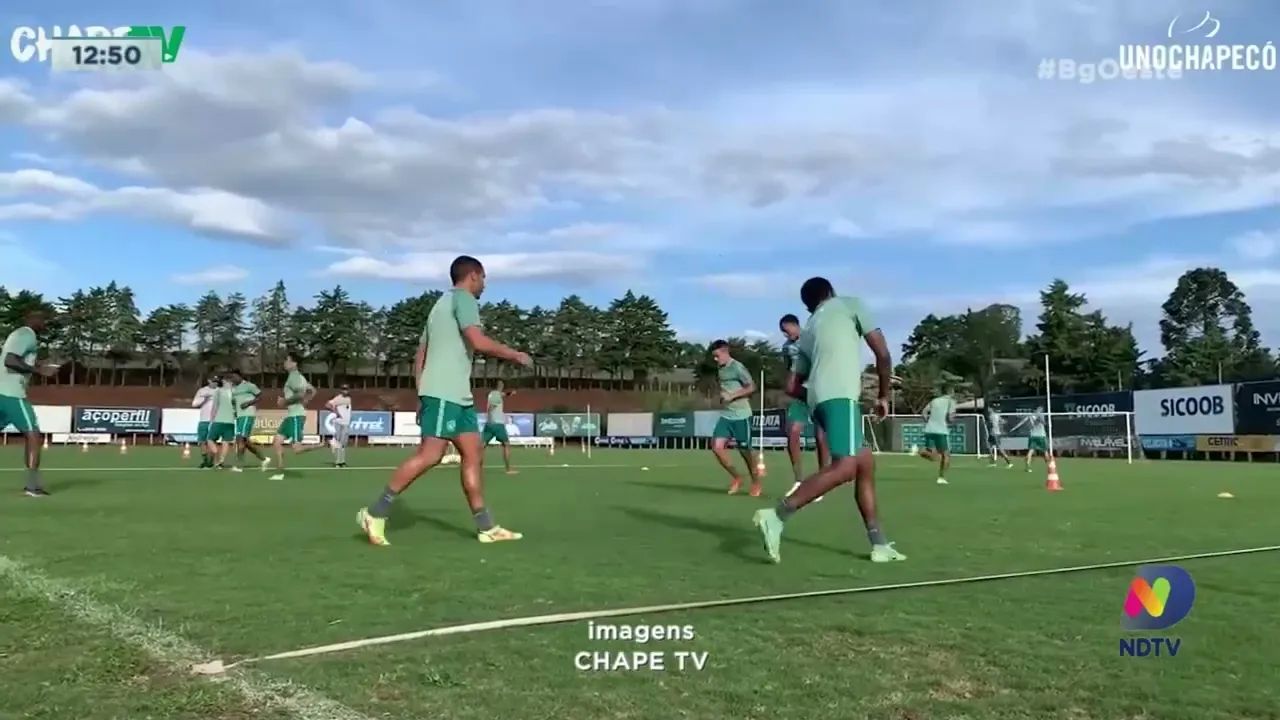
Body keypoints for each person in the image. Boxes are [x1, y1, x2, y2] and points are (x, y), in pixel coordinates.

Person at [358, 255, 532, 547]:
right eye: (484, 278)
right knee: (431, 455)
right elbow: (477, 341)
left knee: (473, 453)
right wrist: (515, 354)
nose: (485, 284)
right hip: (444, 392)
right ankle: (375, 512)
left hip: (455, 395)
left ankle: (486, 527)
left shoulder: (438, 306)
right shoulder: (463, 299)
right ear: (473, 275)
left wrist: (420, 392)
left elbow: (420, 354)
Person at [753, 277, 906, 564]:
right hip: (841, 396)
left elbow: (791, 386)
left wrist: (816, 396)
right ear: (831, 291)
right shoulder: (851, 304)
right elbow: (882, 353)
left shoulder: (809, 328)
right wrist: (884, 396)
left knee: (864, 465)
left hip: (817, 400)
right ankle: (778, 514)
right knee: (846, 465)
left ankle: (879, 544)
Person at [0, 311, 56, 496]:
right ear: (32, 321)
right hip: (12, 393)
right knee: (32, 434)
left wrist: (38, 365)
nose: (45, 323)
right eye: (43, 320)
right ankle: (33, 486)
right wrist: (38, 371)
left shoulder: (19, 335)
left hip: (3, 391)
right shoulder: (26, 335)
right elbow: (10, 361)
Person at [779, 314, 830, 501]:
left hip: (818, 390)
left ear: (795, 325)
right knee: (792, 430)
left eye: (786, 330)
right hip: (800, 394)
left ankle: (823, 482)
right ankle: (799, 480)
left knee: (820, 436)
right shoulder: (787, 348)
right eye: (783, 332)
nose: (785, 335)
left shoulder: (812, 338)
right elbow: (788, 368)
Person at [709, 340, 762, 496]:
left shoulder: (737, 367)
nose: (715, 360)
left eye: (717, 356)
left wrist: (731, 396)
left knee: (745, 451)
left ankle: (756, 483)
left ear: (725, 352)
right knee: (716, 447)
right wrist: (723, 397)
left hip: (741, 415)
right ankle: (737, 477)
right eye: (714, 357)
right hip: (726, 415)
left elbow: (752, 387)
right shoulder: (720, 369)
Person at [269, 352, 325, 480]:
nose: (285, 363)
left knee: (297, 449)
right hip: (291, 415)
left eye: (287, 360)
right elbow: (312, 390)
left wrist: (284, 402)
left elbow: (300, 394)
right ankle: (281, 469)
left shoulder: (294, 377)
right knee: (277, 441)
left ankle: (319, 445)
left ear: (294, 363)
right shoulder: (299, 377)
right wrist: (306, 401)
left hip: (296, 415)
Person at [227, 369, 270, 473]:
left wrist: (248, 403)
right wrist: (235, 411)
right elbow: (233, 402)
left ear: (239, 376)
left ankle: (238, 465)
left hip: (247, 415)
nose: (232, 379)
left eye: (233, 377)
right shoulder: (233, 389)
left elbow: (260, 396)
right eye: (231, 378)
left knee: (241, 439)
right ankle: (264, 459)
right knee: (243, 441)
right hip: (240, 417)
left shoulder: (249, 385)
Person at [919, 389, 957, 485]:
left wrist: (929, 421)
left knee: (932, 452)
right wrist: (952, 421)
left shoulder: (934, 400)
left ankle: (921, 451)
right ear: (950, 392)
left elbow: (924, 412)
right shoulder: (951, 401)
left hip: (929, 429)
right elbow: (950, 418)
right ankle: (941, 477)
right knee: (946, 455)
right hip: (941, 431)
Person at [482, 380, 518, 475]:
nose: (503, 386)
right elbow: (492, 406)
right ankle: (508, 469)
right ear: (500, 386)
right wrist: (490, 414)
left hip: (489, 424)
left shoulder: (492, 394)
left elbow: (503, 394)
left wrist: (510, 393)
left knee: (482, 446)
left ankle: (474, 466)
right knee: (506, 444)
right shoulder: (496, 395)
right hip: (497, 423)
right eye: (502, 384)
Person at [1011, 406, 1053, 472]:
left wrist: (1014, 428)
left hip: (1033, 435)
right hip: (1041, 435)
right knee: (1045, 450)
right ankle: (1049, 466)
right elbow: (1044, 423)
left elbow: (1022, 422)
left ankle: (1028, 466)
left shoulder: (1030, 416)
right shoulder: (1040, 415)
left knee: (1031, 451)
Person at [207, 377, 237, 467]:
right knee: (226, 441)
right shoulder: (235, 392)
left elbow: (215, 406)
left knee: (210, 439)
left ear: (224, 381)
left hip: (219, 419)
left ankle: (216, 454)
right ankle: (221, 460)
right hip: (230, 421)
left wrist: (211, 419)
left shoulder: (219, 391)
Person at [191, 377, 219, 468]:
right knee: (202, 441)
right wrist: (204, 398)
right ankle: (205, 460)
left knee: (212, 441)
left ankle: (211, 460)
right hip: (204, 419)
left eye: (216, 382)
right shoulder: (202, 391)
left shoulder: (220, 391)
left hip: (215, 420)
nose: (215, 383)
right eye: (213, 381)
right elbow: (194, 404)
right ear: (209, 380)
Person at [326, 385, 352, 468]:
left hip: (346, 423)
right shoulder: (338, 398)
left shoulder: (349, 399)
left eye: (346, 389)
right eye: (344, 389)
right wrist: (335, 412)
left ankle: (342, 461)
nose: (345, 391)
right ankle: (338, 462)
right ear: (341, 390)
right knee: (338, 442)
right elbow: (327, 404)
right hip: (338, 423)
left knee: (343, 443)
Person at [986, 404, 1014, 468]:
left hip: (995, 434)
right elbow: (1003, 422)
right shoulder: (996, 415)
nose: (988, 409)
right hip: (992, 433)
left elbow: (992, 424)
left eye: (989, 408)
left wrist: (996, 424)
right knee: (989, 447)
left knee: (999, 448)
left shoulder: (993, 416)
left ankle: (1009, 462)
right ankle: (992, 462)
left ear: (991, 409)